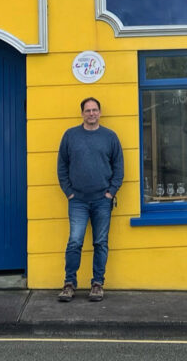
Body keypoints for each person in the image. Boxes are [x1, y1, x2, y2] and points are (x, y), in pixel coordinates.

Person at [57, 96, 123, 302]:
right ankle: (69, 284)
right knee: (74, 242)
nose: (92, 113)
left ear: (100, 113)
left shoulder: (110, 137)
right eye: (88, 110)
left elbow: (119, 168)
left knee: (100, 242)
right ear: (82, 113)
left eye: (95, 110)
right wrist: (69, 192)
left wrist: (111, 192)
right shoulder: (70, 136)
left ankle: (97, 284)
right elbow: (62, 166)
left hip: (102, 200)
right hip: (77, 200)